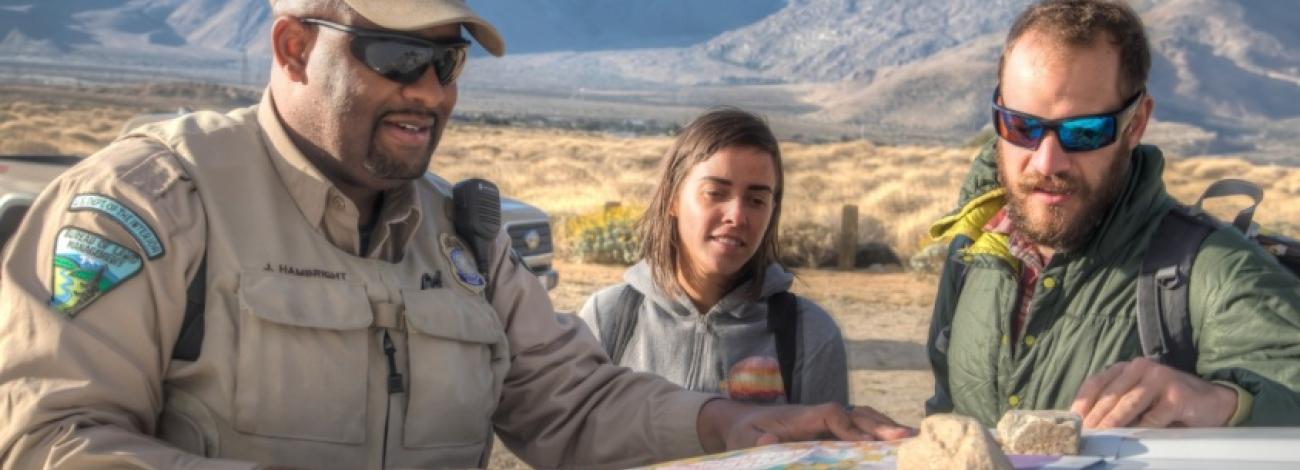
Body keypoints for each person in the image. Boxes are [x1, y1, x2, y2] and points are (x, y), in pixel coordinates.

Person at [0, 1, 912, 469]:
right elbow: (49, 438)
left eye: (449, 60)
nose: (432, 93)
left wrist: (746, 423)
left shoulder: (463, 239)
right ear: (291, 49)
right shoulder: (156, 200)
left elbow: (576, 405)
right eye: (400, 56)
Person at [925, 0, 1300, 430]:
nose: (1047, 162)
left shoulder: (1214, 270)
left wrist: (1225, 405)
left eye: (1083, 132)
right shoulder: (974, 249)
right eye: (1021, 126)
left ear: (1136, 124)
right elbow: (948, 419)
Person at [578, 108, 849, 407]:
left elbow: (822, 452)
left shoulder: (808, 334)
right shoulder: (609, 317)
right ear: (673, 199)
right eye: (716, 193)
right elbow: (577, 445)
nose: (737, 216)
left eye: (756, 200)